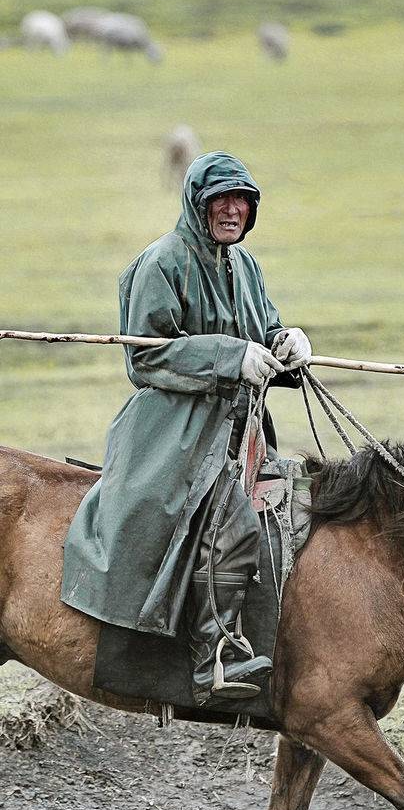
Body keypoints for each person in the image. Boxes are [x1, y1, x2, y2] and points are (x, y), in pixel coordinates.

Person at [62, 151, 311, 701]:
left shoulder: (244, 267)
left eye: (242, 201)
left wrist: (285, 345)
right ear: (198, 204)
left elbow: (262, 332)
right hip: (174, 429)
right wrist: (228, 357)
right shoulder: (161, 263)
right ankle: (213, 654)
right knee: (235, 523)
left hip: (237, 426)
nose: (232, 210)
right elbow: (145, 359)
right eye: (221, 200)